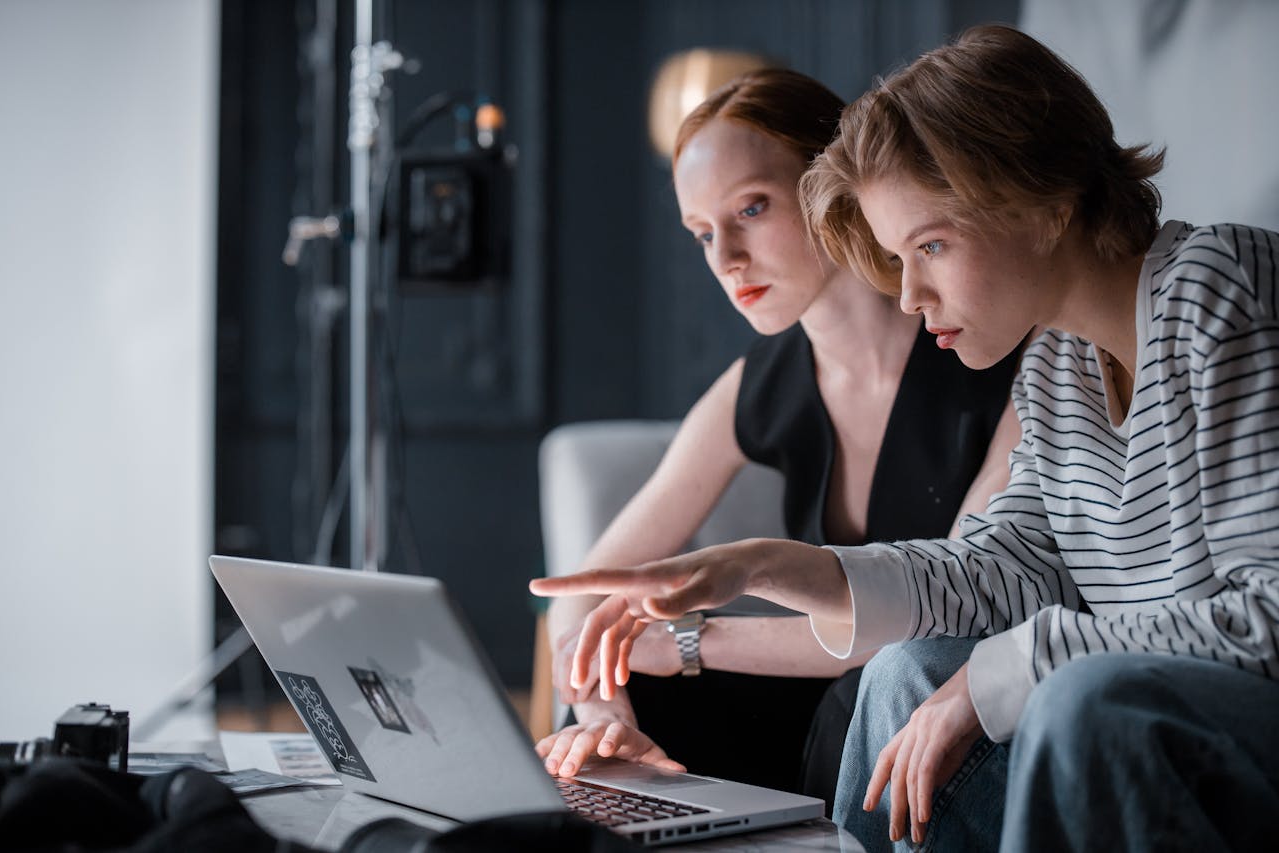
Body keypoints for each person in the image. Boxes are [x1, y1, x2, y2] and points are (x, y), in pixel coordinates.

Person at [531, 24, 1279, 853]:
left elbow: (1267, 617)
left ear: (1043, 202)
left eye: (930, 245)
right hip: (1144, 710)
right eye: (897, 254)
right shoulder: (1058, 361)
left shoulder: (1216, 286)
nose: (911, 293)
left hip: (1227, 713)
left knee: (1075, 696)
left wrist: (1007, 670)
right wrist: (759, 564)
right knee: (904, 670)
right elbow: (997, 573)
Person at [538, 68, 1023, 806]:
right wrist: (605, 717)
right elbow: (582, 596)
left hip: (931, 691)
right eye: (703, 233)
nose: (725, 258)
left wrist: (691, 641)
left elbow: (940, 607)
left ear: (833, 185)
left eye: (751, 208)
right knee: (625, 692)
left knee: (874, 675)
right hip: (824, 708)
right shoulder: (759, 382)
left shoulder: (983, 344)